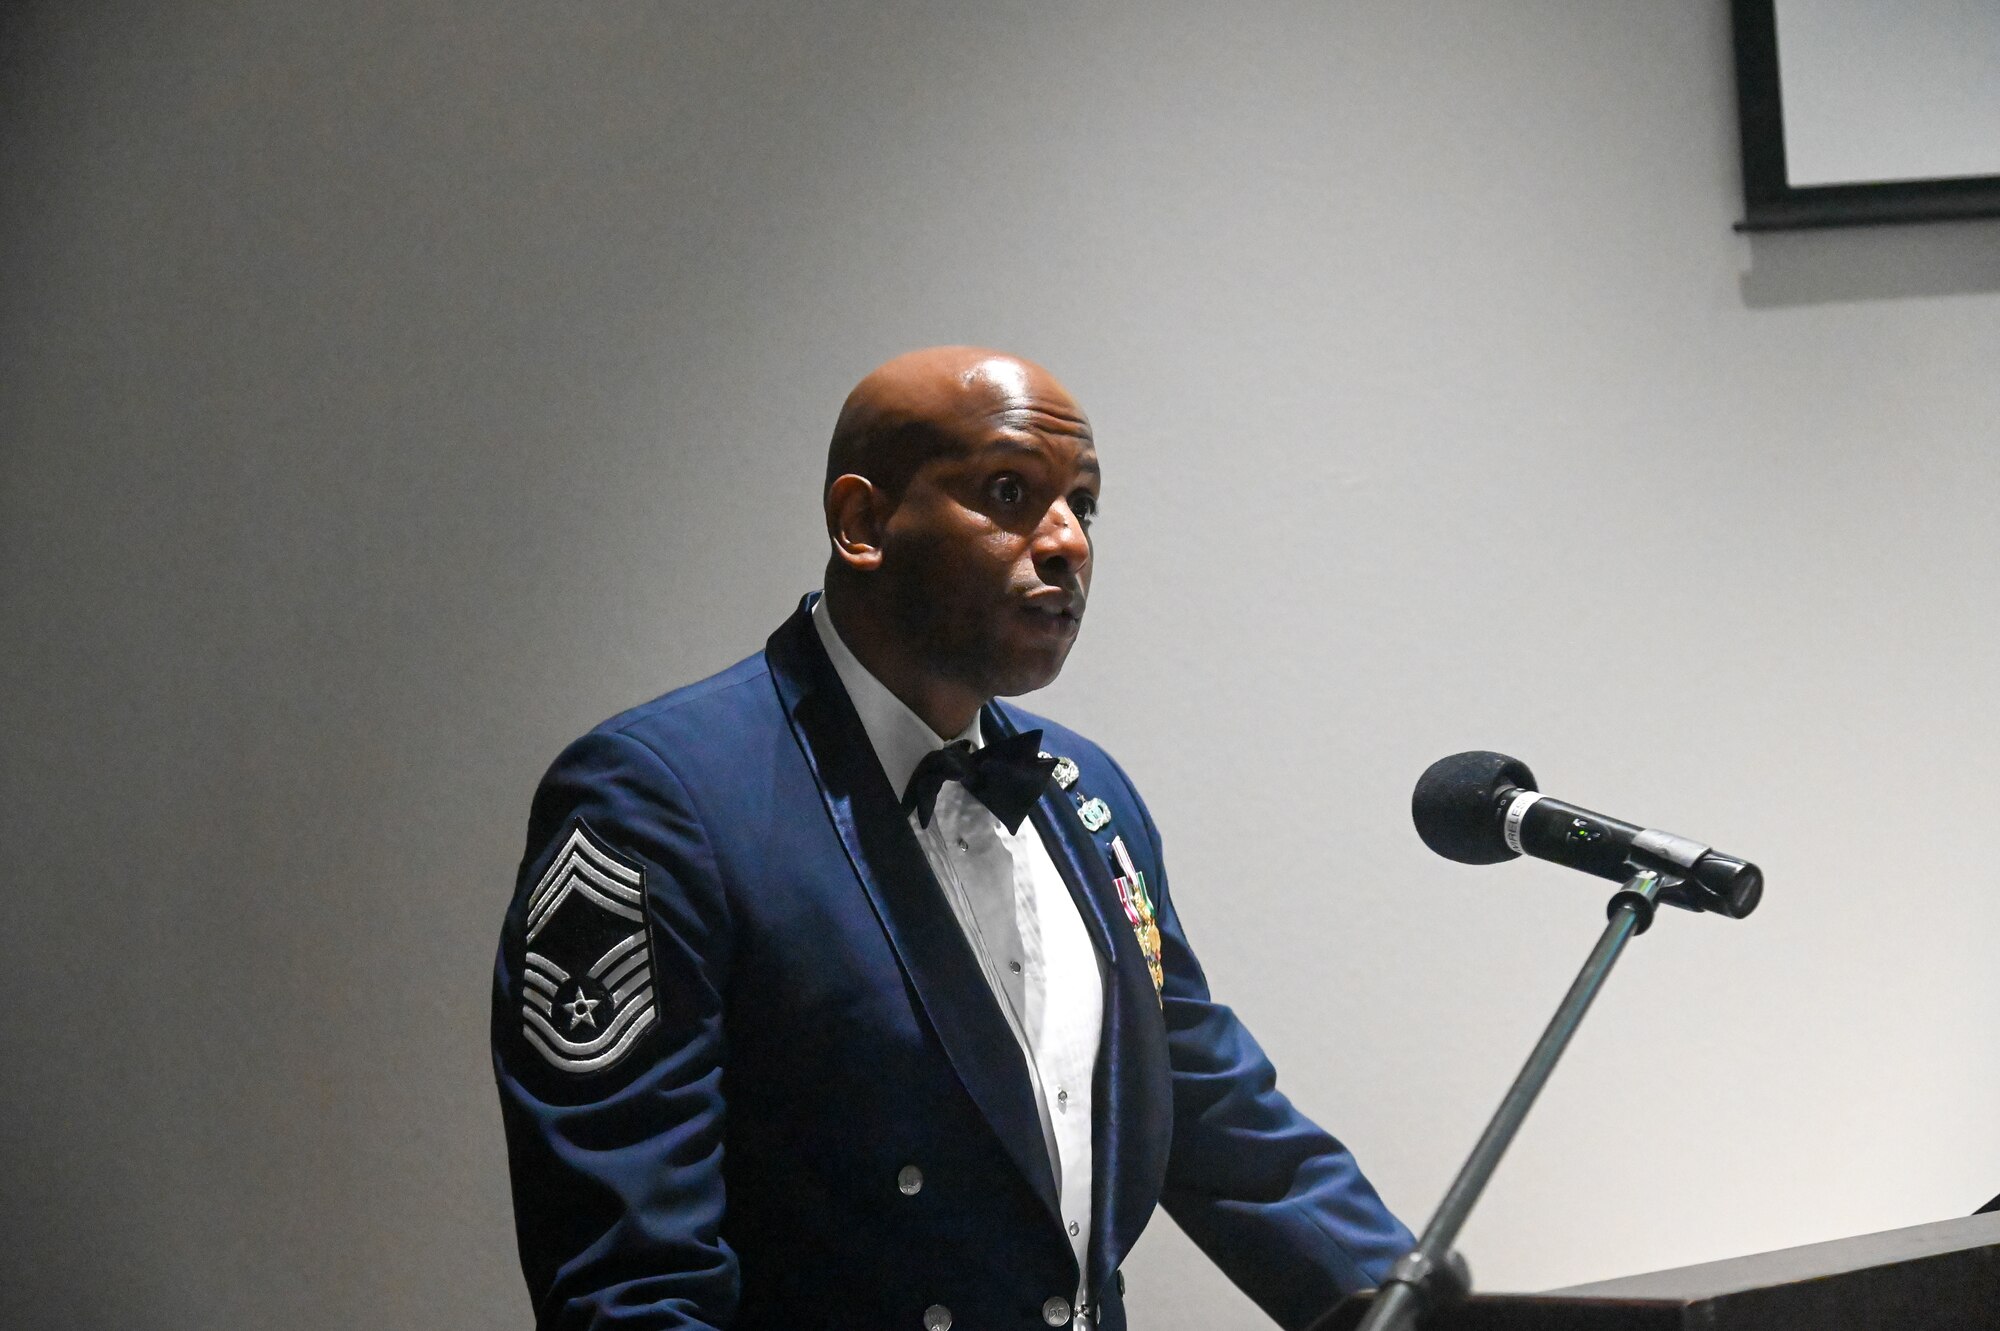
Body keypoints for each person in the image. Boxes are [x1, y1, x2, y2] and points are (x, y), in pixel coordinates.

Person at [491, 347, 1413, 1331]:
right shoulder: (660, 798)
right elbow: (630, 1279)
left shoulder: (1084, 791)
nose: (1066, 541)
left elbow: (1219, 1122)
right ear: (862, 522)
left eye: (1083, 505)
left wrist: (1423, 1307)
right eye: (1010, 492)